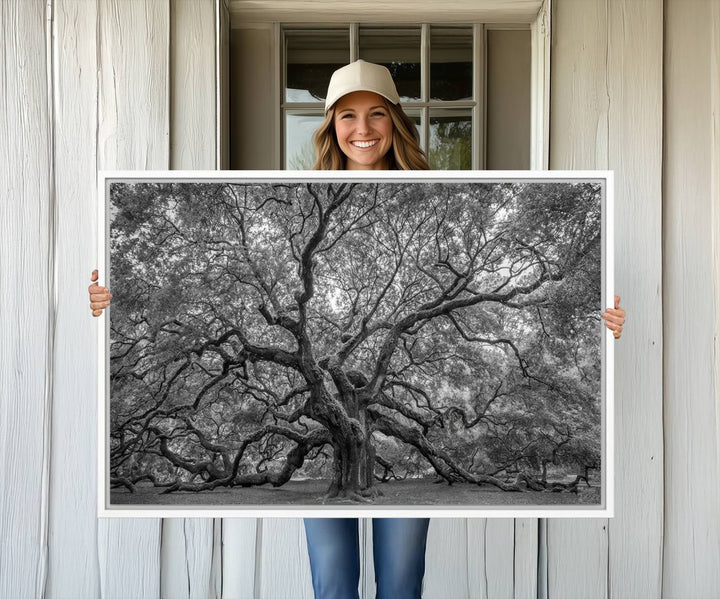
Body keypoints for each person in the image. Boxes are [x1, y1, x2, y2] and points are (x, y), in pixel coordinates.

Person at [87, 59, 627, 599]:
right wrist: (111, 306)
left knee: (400, 583)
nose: (362, 129)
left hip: (367, 396)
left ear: (395, 122)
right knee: (333, 583)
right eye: (347, 116)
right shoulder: (296, 200)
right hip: (331, 424)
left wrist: (602, 327)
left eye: (376, 115)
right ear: (330, 127)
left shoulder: (436, 195)